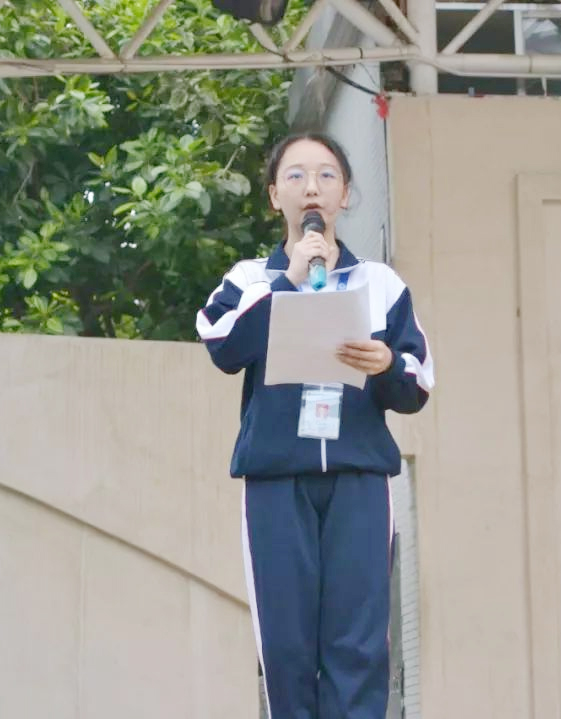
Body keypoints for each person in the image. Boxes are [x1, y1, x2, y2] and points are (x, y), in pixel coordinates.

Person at [195, 132, 435, 718]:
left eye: (327, 176)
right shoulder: (250, 279)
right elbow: (223, 346)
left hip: (359, 481)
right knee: (286, 646)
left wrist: (386, 364)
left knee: (359, 644)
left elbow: (417, 383)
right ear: (274, 195)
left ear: (345, 196)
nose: (312, 188)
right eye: (296, 176)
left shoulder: (380, 283)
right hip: (277, 482)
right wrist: (288, 283)